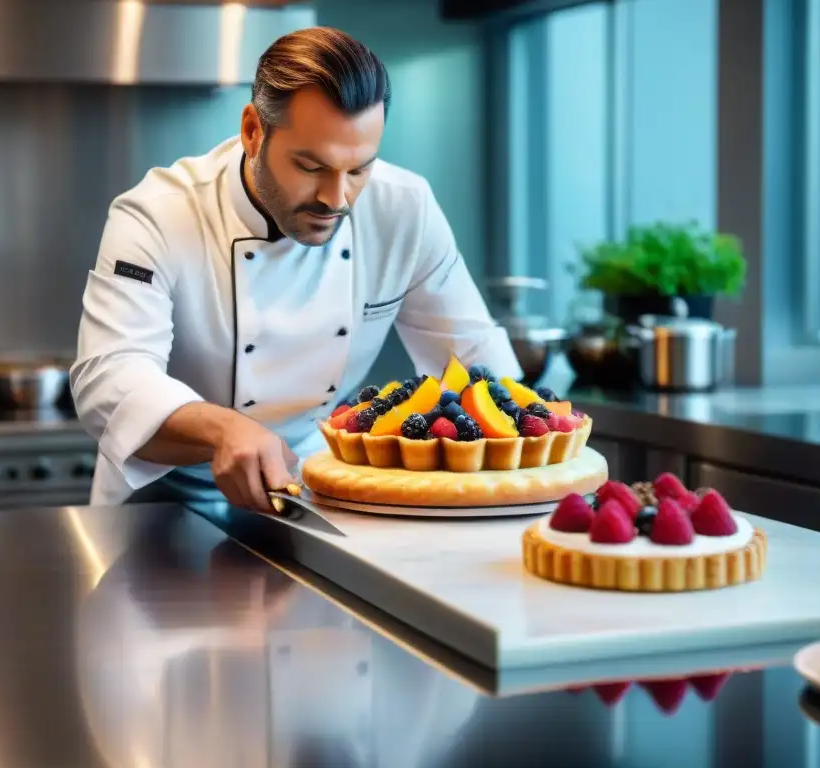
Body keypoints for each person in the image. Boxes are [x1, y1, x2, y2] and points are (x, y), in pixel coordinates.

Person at [71, 27, 521, 512]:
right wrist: (224, 429)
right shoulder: (157, 213)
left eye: (358, 170)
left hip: (303, 489)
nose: (337, 199)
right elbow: (110, 376)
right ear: (252, 131)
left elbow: (476, 361)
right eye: (310, 167)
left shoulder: (405, 208)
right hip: (153, 499)